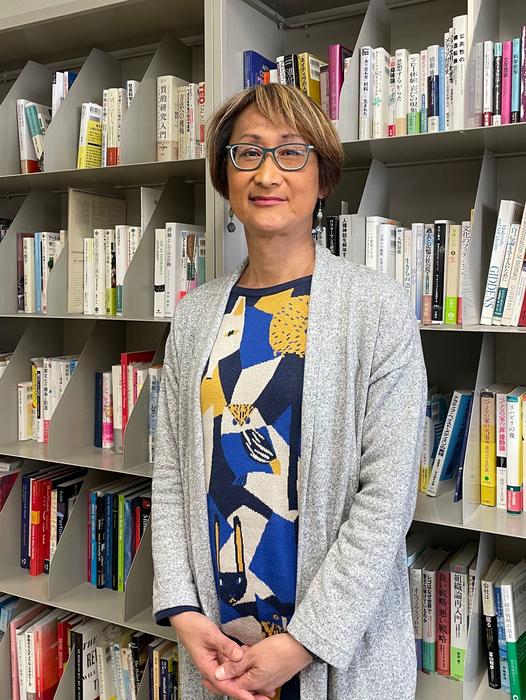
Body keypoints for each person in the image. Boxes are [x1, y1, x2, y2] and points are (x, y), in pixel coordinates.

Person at [151, 83, 427, 700]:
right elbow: (171, 473)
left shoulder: (375, 307)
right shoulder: (195, 317)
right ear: (225, 177)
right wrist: (183, 611)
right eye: (245, 152)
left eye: (291, 152)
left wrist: (303, 643)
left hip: (336, 650)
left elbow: (386, 499)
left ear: (323, 178)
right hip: (222, 646)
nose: (267, 172)